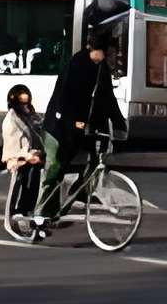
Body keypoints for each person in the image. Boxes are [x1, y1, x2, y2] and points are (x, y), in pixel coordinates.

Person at [39, 19, 125, 232]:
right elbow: (63, 97)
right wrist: (73, 120)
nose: (113, 56)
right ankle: (41, 215)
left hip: (80, 128)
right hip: (59, 126)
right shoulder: (77, 63)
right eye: (110, 51)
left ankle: (76, 195)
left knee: (95, 161)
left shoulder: (101, 69)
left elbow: (107, 98)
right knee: (54, 169)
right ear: (100, 50)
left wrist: (120, 124)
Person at [2, 84, 49, 239]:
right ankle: (20, 212)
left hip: (34, 157)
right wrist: (28, 156)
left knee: (41, 180)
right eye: (22, 104)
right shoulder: (11, 119)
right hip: (19, 161)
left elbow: (40, 127)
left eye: (27, 103)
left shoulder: (30, 115)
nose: (25, 107)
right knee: (27, 179)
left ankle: (36, 213)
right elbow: (12, 143)